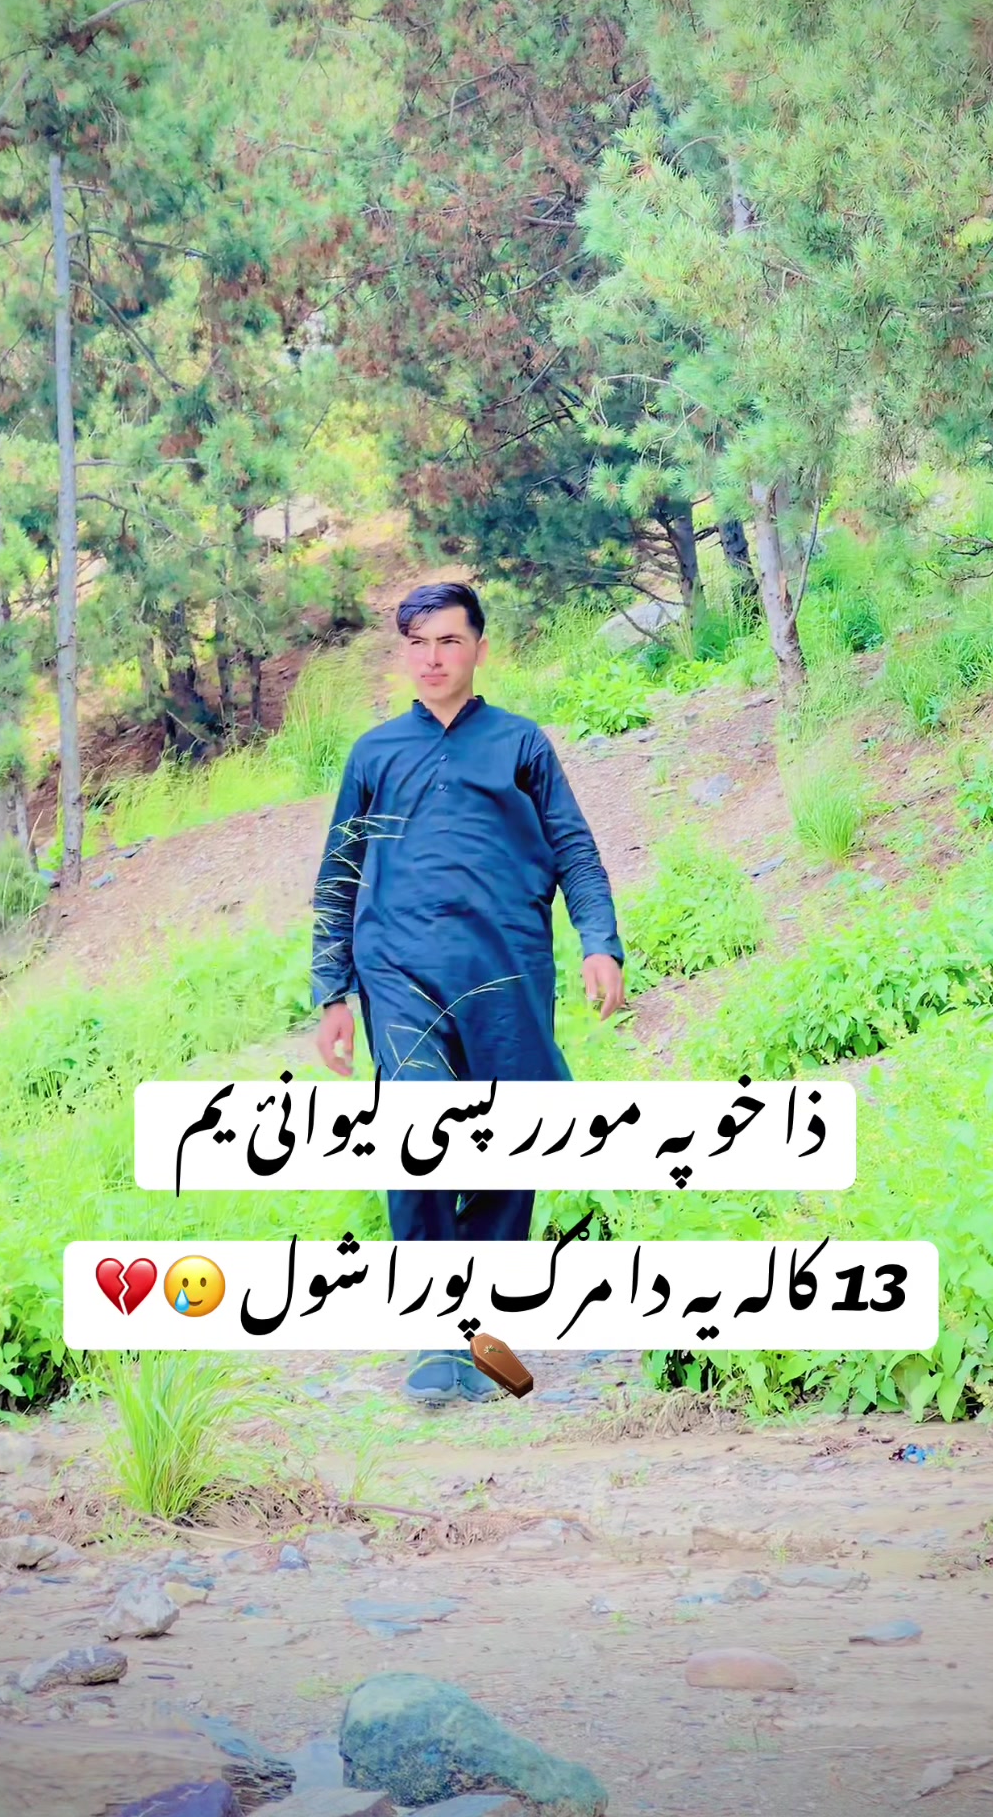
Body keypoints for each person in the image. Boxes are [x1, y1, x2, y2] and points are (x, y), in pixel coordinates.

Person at [310, 582, 624, 1405]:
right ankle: (431, 1330)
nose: (433, 658)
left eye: (449, 641)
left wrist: (599, 941)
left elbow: (574, 849)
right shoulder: (375, 755)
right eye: (418, 643)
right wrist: (333, 990)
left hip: (507, 971)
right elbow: (339, 874)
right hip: (400, 974)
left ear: (480, 648)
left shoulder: (520, 745)